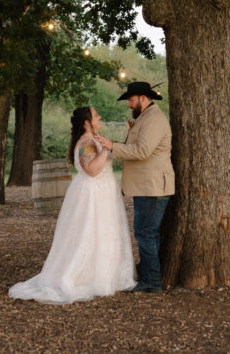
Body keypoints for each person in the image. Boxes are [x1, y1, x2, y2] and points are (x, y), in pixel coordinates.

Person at [8, 106, 136, 304]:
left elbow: (112, 155)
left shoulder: (95, 139)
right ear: (87, 122)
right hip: (92, 196)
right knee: (89, 234)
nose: (99, 116)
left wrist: (122, 138)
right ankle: (83, 276)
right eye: (96, 115)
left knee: (102, 234)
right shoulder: (86, 142)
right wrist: (107, 149)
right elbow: (92, 170)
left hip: (102, 194)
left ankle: (104, 274)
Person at [95, 81, 174, 294]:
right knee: (148, 234)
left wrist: (113, 146)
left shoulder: (154, 119)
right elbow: (133, 148)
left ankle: (152, 282)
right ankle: (150, 277)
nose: (129, 105)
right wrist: (111, 145)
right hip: (147, 186)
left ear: (143, 98)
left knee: (145, 234)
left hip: (153, 186)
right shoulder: (145, 118)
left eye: (131, 100)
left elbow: (142, 151)